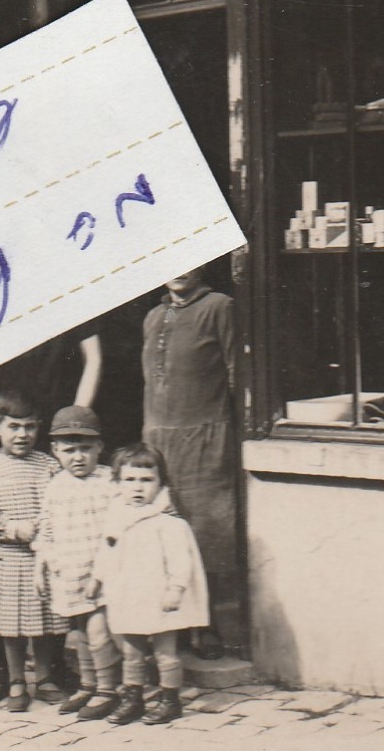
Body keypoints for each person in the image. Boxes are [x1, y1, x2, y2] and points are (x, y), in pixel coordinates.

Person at [0, 327, 102, 703]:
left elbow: (94, 359)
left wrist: (71, 426)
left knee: (58, 547)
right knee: (3, 563)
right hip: (4, 419)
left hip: (50, 423)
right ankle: (3, 668)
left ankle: (51, 668)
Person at [140, 266, 239, 657]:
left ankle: (206, 624)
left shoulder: (220, 307)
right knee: (160, 532)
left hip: (204, 438)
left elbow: (237, 373)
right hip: (159, 439)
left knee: (204, 536)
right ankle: (169, 625)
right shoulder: (152, 316)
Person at [89, 443, 209, 726]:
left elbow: (181, 561)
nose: (137, 488)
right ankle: (133, 698)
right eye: (129, 481)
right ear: (117, 483)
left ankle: (170, 700)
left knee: (165, 653)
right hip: (129, 595)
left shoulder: (167, 523)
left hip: (159, 597)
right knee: (132, 652)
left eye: (146, 480)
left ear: (160, 483)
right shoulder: (117, 517)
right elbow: (107, 549)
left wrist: (176, 589)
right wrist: (97, 578)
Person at [0, 389, 68, 711]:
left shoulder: (49, 466)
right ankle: (15, 680)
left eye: (29, 427)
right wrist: (14, 530)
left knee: (45, 621)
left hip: (42, 558)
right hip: (8, 557)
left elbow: (61, 504)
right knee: (12, 625)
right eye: (14, 427)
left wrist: (43, 529)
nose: (22, 435)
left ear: (39, 428)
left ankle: (46, 677)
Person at [35, 405, 122, 720]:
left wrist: (102, 571)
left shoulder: (110, 482)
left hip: (101, 574)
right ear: (55, 450)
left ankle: (108, 690)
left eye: (85, 449)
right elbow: (45, 526)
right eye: (69, 450)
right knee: (81, 635)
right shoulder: (56, 485)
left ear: (99, 447)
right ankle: (88, 685)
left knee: (100, 633)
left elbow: (117, 530)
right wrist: (41, 564)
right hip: (69, 573)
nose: (78, 457)